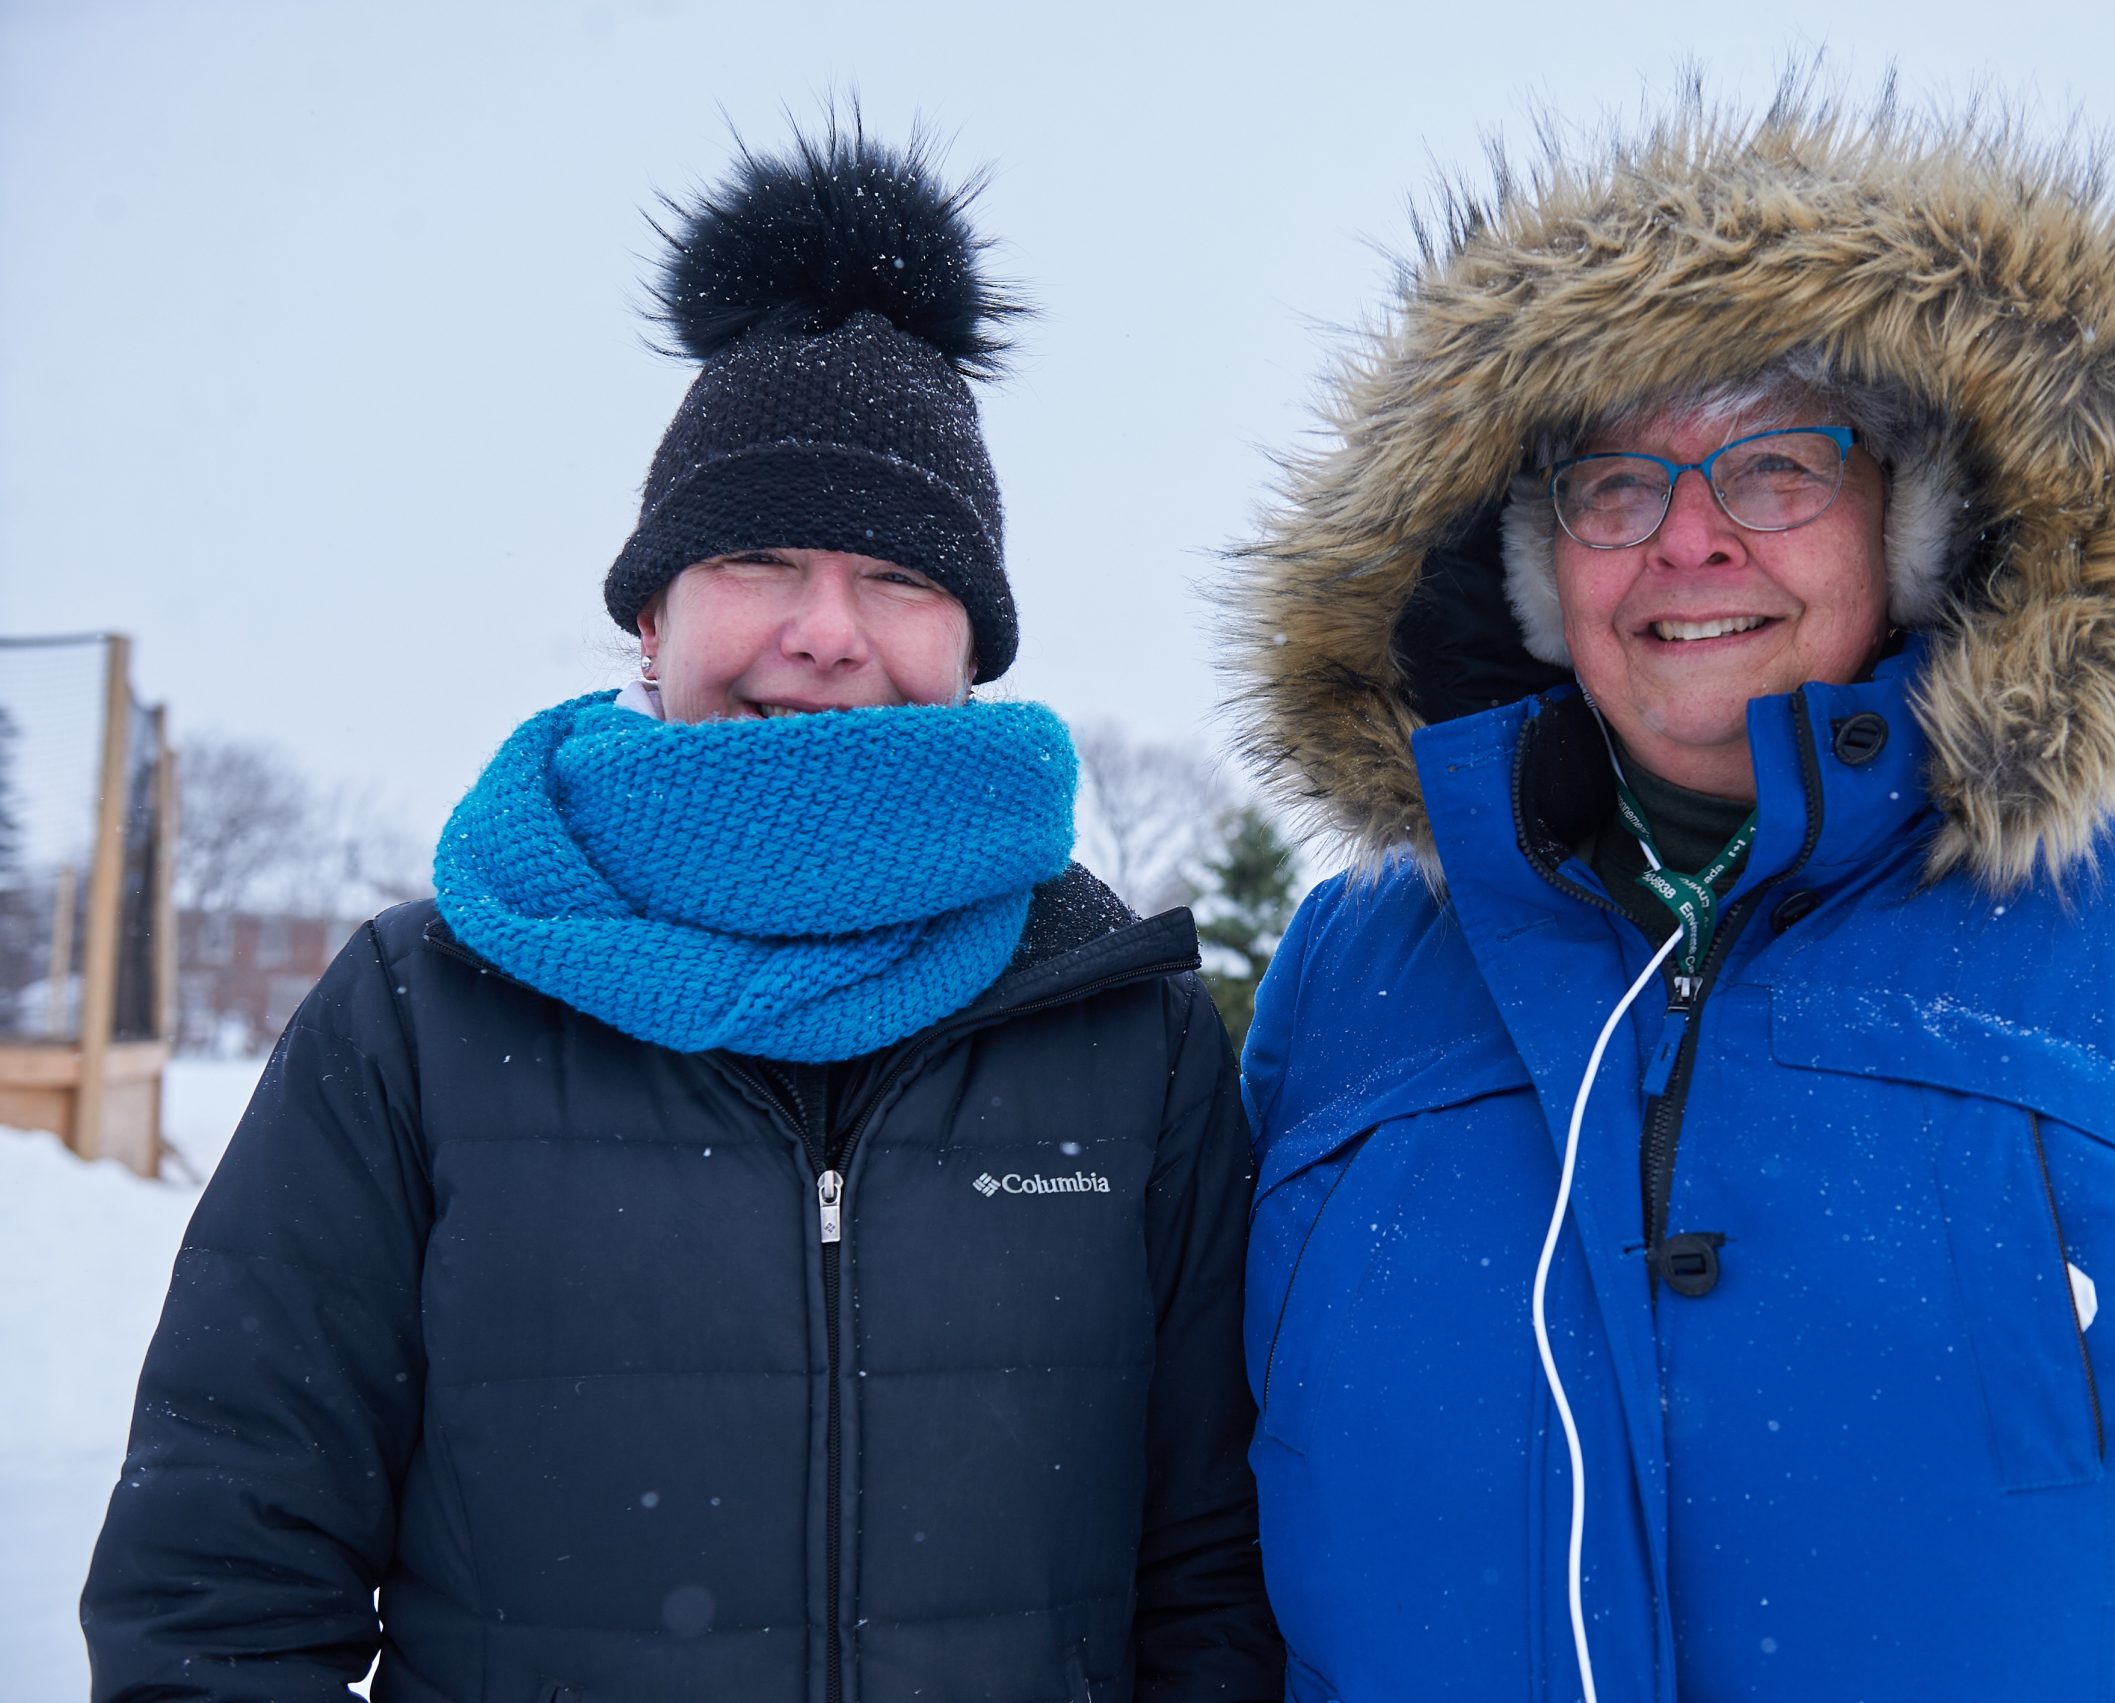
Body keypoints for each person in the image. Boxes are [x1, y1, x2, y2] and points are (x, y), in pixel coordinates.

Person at [1222, 90, 2115, 1701]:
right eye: (1614, 483)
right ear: (1531, 555)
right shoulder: (1350, 979)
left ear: (1912, 523)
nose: (1689, 544)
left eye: (1773, 466)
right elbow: (1216, 1575)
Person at [84, 118, 1282, 1703]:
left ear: (973, 646)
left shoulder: (1123, 1032)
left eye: (901, 579)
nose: (824, 632)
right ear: (652, 614)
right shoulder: (420, 1018)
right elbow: (222, 1595)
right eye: (761, 558)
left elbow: (1214, 1586)